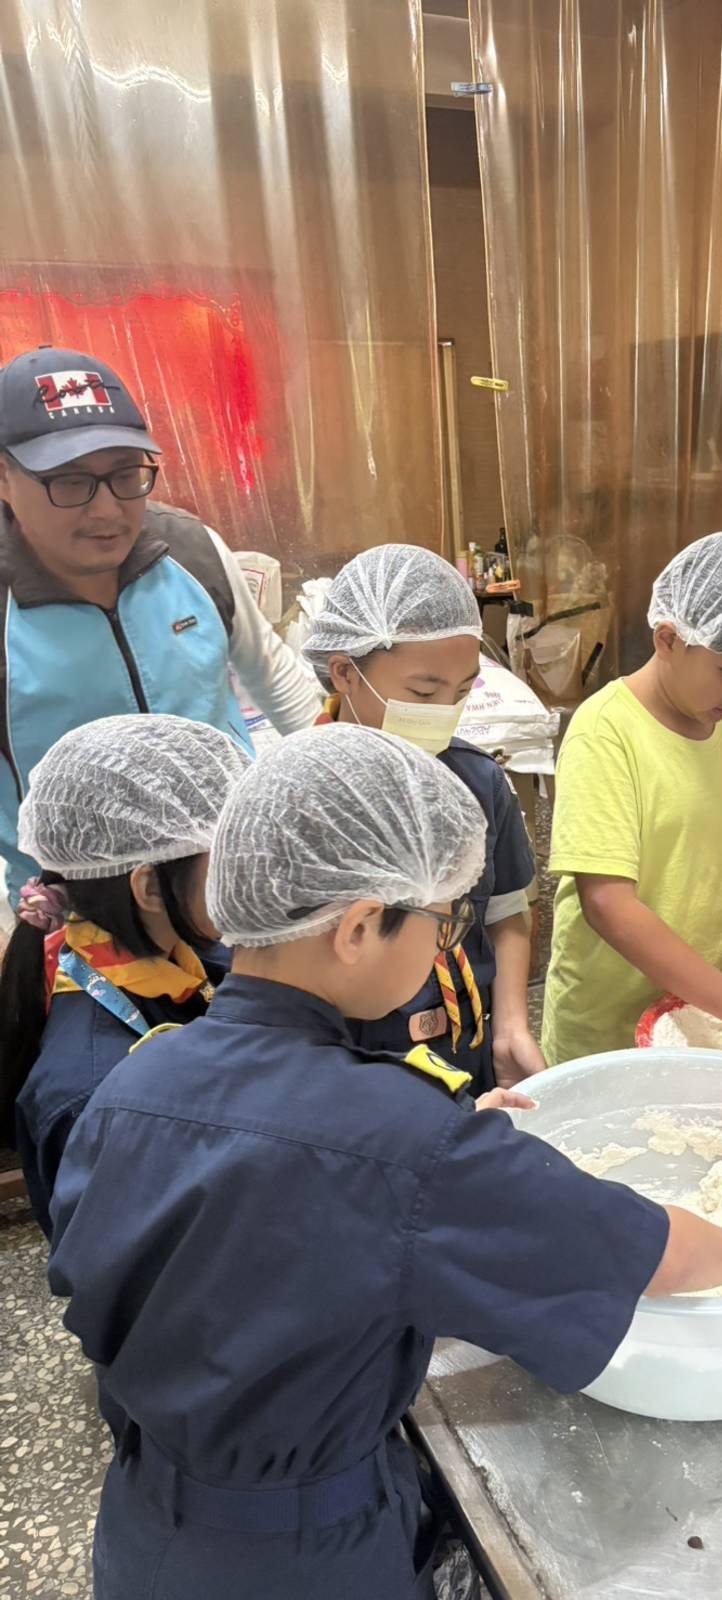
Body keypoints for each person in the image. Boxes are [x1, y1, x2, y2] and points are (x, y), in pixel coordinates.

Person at [47, 724, 722, 1599]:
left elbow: (215, 1237)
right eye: (443, 923)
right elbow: (647, 1251)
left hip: (143, 1525)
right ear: (358, 927)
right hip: (304, 1559)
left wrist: (425, 1151)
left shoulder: (133, 1080)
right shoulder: (407, 1145)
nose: (444, 950)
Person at [0, 345, 321, 904]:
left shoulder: (191, 551)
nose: (107, 510)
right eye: (70, 483)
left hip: (225, 873)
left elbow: (272, 673)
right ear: (4, 478)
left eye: (127, 474)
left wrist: (335, 783)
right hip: (78, 906)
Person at [542, 531, 722, 1065]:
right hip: (609, 1030)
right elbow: (607, 903)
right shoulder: (607, 732)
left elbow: (720, 850)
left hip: (704, 1012)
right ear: (667, 639)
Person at [301, 544, 543, 1090]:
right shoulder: (304, 800)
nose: (444, 712)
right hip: (354, 1071)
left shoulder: (477, 782)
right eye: (423, 691)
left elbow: (506, 914)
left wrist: (510, 1026)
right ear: (344, 672)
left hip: (467, 1048)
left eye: (462, 690)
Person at [0, 715, 250, 1237]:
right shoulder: (93, 1096)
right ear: (149, 887)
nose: (249, 869)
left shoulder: (189, 953)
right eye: (229, 853)